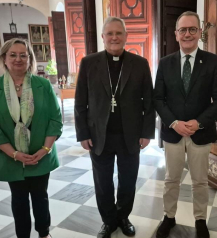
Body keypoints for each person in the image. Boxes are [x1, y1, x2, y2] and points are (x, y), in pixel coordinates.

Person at [74, 16, 155, 238]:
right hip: (99, 135)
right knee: (102, 182)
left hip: (130, 135)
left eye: (118, 33)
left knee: (128, 181)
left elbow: (149, 101)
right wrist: (83, 133)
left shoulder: (139, 64)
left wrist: (147, 133)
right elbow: (81, 102)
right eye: (109, 33)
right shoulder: (89, 63)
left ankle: (123, 217)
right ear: (103, 37)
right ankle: (109, 221)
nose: (114, 37)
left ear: (126, 36)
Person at [154, 11, 217, 238]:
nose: (187, 34)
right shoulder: (165, 63)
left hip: (201, 132)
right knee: (171, 179)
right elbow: (158, 98)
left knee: (200, 181)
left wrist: (199, 122)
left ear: (200, 33)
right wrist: (174, 122)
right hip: (173, 132)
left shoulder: (213, 61)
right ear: (176, 34)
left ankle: (200, 220)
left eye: (192, 29)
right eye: (183, 30)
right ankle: (169, 216)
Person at [0, 38, 62, 238]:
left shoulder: (42, 85)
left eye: (23, 55)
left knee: (40, 197)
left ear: (30, 59)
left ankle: (44, 233)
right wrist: (14, 154)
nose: (18, 59)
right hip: (10, 157)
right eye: (13, 55)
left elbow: (55, 119)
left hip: (40, 153)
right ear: (4, 59)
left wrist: (45, 150)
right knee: (19, 199)